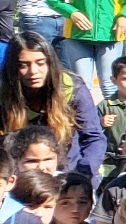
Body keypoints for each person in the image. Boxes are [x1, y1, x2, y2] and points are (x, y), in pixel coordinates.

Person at [0, 33, 106, 175]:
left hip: (69, 172)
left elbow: (94, 138)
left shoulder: (71, 88)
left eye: (40, 63)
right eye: (23, 65)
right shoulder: (4, 93)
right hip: (20, 175)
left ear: (50, 63)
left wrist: (83, 175)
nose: (33, 71)